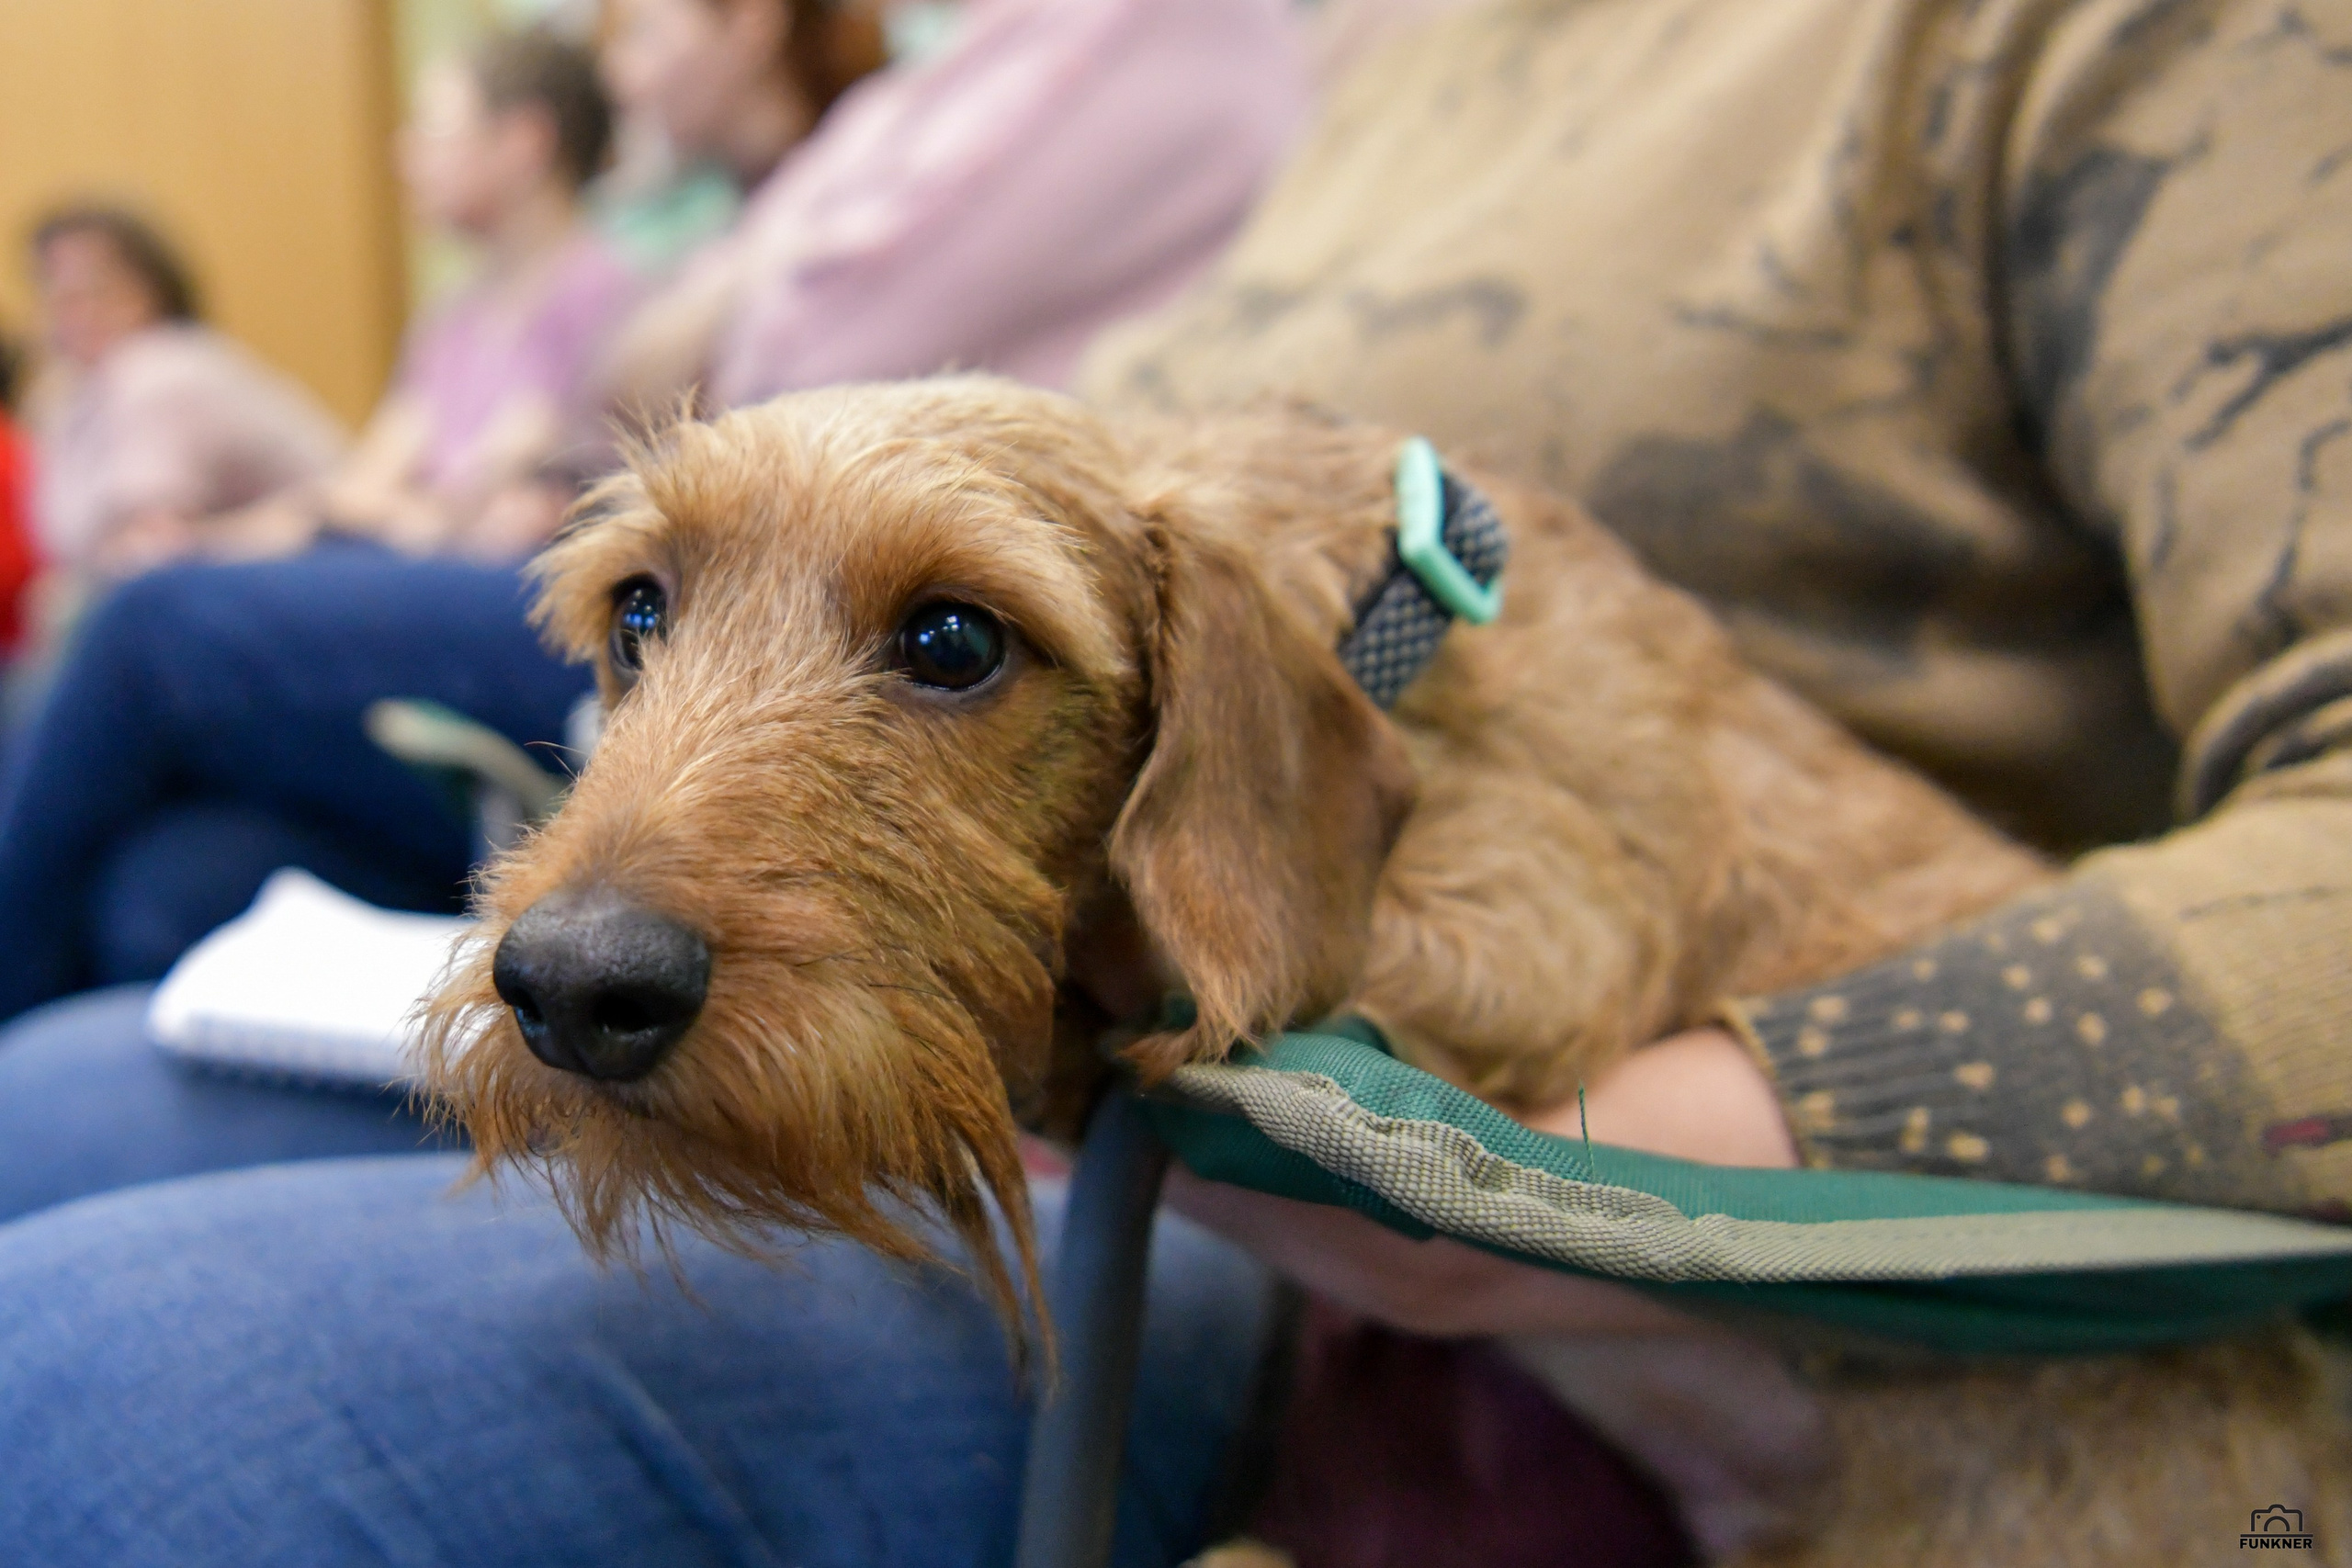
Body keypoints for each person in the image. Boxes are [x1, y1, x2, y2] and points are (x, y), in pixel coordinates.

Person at [225, 29, 648, 563]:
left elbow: (486, 494)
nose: (405, 154)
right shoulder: (454, 316)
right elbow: (365, 483)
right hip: (432, 553)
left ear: (525, 142)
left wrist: (388, 515)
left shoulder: (598, 295)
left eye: (433, 130)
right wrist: (213, 538)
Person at [21, 207, 344, 596]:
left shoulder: (160, 368)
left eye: (93, 290)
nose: (73, 311)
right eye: (56, 290)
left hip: (312, 581)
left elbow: (149, 545)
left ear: (150, 293)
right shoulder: (75, 396)